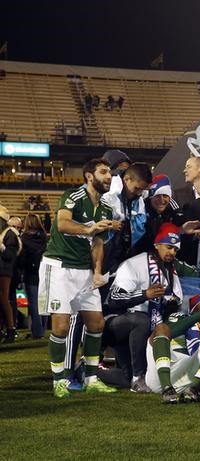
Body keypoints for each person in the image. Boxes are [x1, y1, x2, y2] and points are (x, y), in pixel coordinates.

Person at [38, 158, 120, 398]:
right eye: (103, 172)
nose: (109, 176)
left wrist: (96, 271)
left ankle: (91, 378)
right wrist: (89, 228)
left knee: (96, 323)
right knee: (61, 326)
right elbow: (62, 224)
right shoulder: (72, 196)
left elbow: (97, 243)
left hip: (84, 271)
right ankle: (59, 380)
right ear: (88, 176)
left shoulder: (105, 208)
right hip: (59, 267)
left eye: (110, 173)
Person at [106, 223, 184, 392]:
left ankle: (88, 371)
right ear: (157, 245)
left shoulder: (169, 270)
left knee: (125, 377)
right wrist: (145, 295)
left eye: (176, 249)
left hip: (141, 331)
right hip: (115, 325)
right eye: (169, 247)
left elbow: (175, 303)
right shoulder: (135, 264)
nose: (172, 252)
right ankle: (138, 376)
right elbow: (114, 299)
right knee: (141, 319)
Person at [144, 294, 200, 403]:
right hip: (165, 368)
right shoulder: (181, 317)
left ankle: (194, 389)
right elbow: (172, 330)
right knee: (161, 328)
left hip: (185, 372)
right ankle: (167, 389)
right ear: (193, 308)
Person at [17, 213, 47, 339]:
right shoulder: (45, 237)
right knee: (44, 303)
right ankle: (41, 329)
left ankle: (37, 331)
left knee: (34, 303)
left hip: (31, 273)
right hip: (44, 272)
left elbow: (21, 260)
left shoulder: (23, 238)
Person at [0, 206, 21, 343]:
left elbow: (9, 255)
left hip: (4, 271)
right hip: (2, 269)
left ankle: (11, 329)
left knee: (3, 299)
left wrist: (1, 246)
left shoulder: (10, 233)